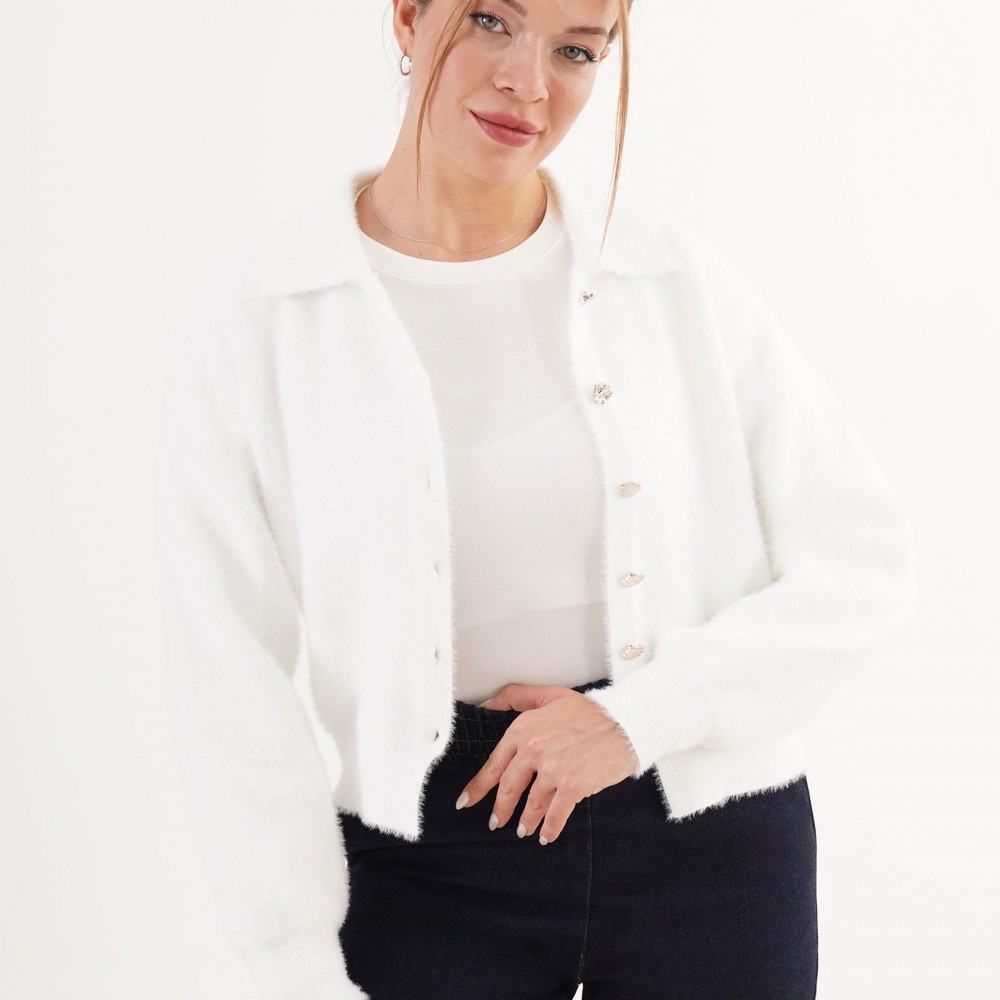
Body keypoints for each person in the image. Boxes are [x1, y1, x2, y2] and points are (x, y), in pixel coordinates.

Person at [155, 2, 919, 998]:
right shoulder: (262, 314)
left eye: (574, 50)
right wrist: (290, 951)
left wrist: (640, 716)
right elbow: (224, 662)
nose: (527, 82)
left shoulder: (673, 281)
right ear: (408, 16)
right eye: (490, 21)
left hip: (708, 837)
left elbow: (863, 561)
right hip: (428, 860)